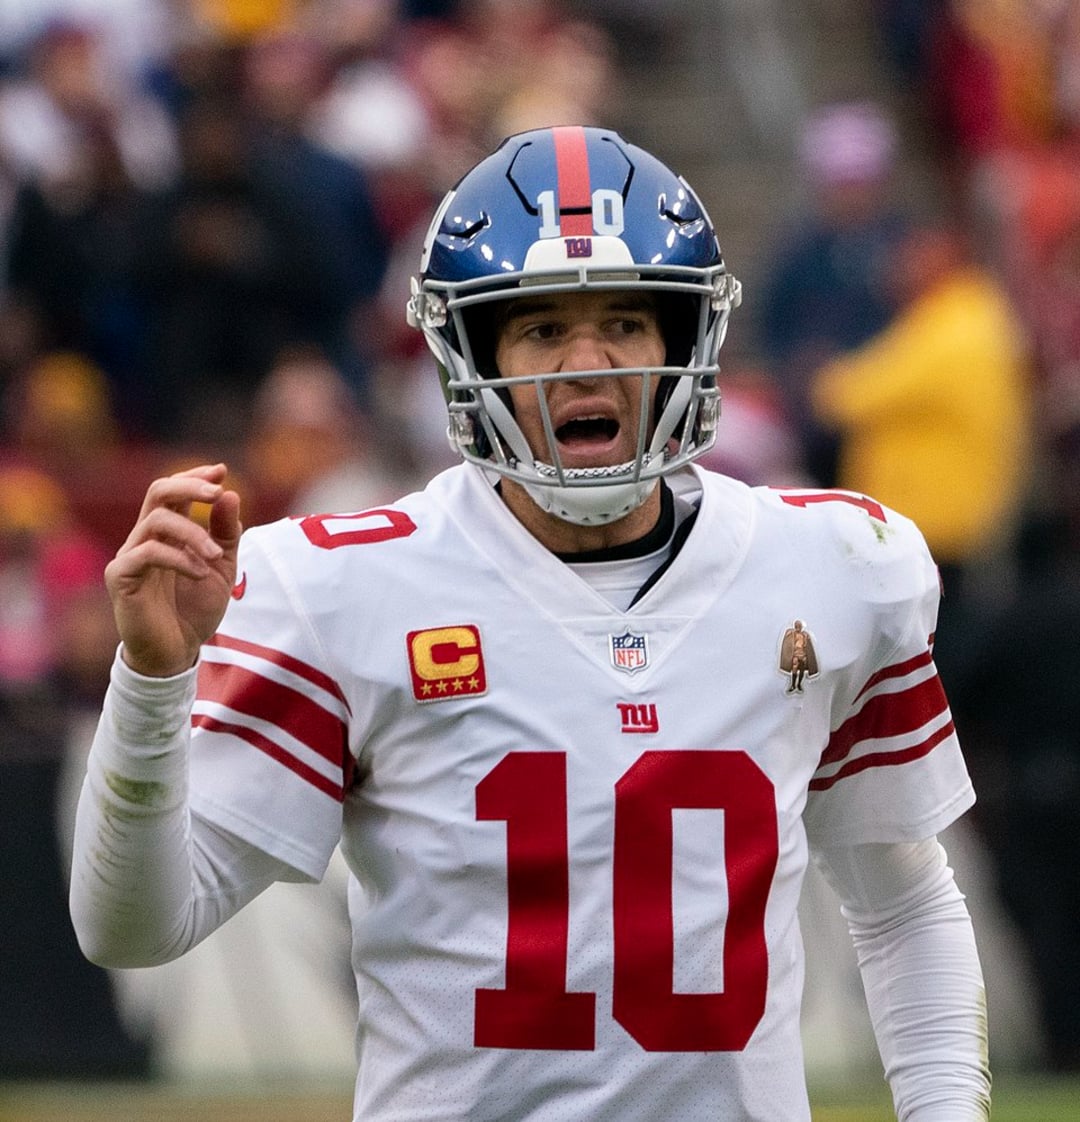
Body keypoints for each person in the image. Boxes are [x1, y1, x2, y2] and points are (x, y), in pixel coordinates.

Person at [69, 125, 991, 1121]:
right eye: (544, 330)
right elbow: (137, 925)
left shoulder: (835, 568)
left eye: (626, 326)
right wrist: (152, 678)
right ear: (474, 353)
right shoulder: (342, 586)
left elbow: (902, 906)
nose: (587, 365)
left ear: (684, 342)